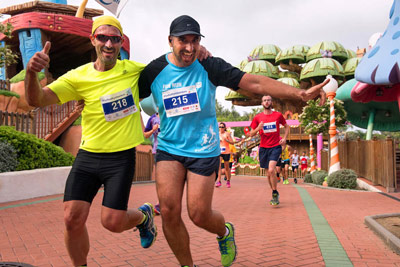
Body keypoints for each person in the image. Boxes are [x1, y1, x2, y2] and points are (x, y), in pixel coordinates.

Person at [138, 15, 328, 267]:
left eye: (195, 40)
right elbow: (124, 91)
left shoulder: (209, 65)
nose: (190, 47)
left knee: (198, 214)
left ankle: (224, 232)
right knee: (170, 212)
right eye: (183, 41)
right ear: (170, 41)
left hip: (203, 150)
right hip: (169, 149)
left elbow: (256, 82)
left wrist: (300, 94)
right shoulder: (153, 71)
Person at [24, 16, 157, 267]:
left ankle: (143, 217)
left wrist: (197, 53)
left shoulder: (135, 71)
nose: (108, 43)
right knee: (71, 218)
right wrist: (31, 73)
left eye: (114, 39)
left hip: (120, 157)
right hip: (88, 156)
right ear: (92, 39)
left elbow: (172, 66)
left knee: (112, 222)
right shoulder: (78, 77)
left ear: (121, 44)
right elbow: (36, 100)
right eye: (103, 37)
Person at [249, 95, 289, 206]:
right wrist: (258, 128)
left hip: (275, 146)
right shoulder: (257, 117)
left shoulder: (278, 115)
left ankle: (275, 193)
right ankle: (274, 191)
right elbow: (251, 134)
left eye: (269, 100)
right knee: (268, 174)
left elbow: (286, 126)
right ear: (262, 103)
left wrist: (284, 139)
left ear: (272, 102)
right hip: (263, 148)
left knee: (272, 170)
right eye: (265, 100)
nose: (267, 102)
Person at [143, 112, 161, 215]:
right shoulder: (152, 118)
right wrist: (153, 130)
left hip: (171, 150)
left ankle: (164, 202)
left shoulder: (170, 113)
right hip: (157, 151)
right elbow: (145, 135)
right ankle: (160, 203)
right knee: (160, 178)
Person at [216, 122, 235, 188]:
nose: (221, 128)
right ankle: (219, 181)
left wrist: (227, 140)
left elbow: (232, 143)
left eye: (222, 127)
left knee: (227, 167)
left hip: (226, 152)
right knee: (219, 166)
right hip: (219, 152)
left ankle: (228, 181)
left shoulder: (227, 134)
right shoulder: (217, 134)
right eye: (220, 127)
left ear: (224, 128)